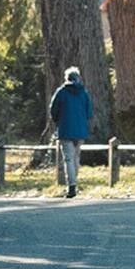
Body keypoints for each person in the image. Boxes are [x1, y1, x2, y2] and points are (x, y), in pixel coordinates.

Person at [49, 66, 92, 198]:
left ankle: (71, 186)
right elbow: (89, 112)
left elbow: (53, 110)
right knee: (76, 158)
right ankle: (74, 182)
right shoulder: (84, 92)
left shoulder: (61, 92)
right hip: (80, 131)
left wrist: (58, 121)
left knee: (68, 159)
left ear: (67, 78)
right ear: (78, 78)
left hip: (66, 129)